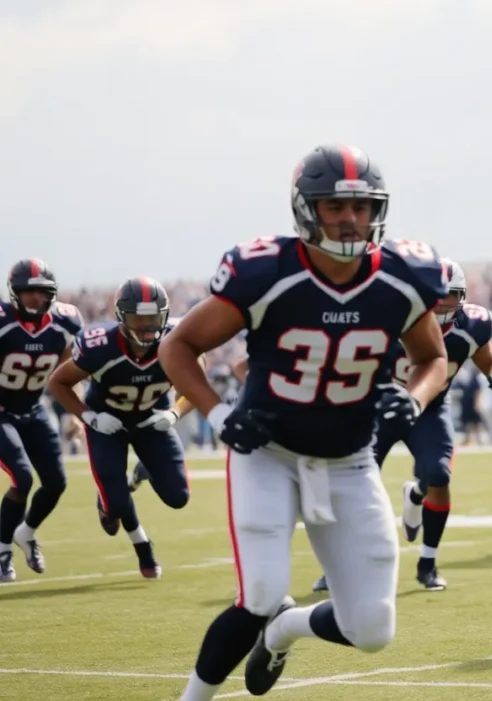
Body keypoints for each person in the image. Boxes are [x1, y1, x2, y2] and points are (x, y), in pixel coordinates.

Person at [160, 144, 449, 701]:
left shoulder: (405, 276)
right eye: (334, 205)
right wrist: (220, 414)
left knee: (372, 630)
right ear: (306, 210)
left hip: (350, 460)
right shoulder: (266, 271)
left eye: (361, 207)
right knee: (261, 591)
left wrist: (413, 400)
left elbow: (432, 359)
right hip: (267, 454)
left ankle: (286, 630)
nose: (349, 218)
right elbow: (180, 346)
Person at [311, 258, 492, 594]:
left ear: (463, 296)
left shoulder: (472, 325)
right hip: (377, 409)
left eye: (451, 295)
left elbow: (490, 359)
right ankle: (338, 567)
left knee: (439, 476)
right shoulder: (391, 315)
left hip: (428, 409)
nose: (443, 302)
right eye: (437, 295)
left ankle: (427, 562)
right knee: (352, 486)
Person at [48, 278, 197, 578]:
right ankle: (142, 545)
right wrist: (89, 417)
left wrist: (174, 413)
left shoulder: (174, 341)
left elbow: (197, 385)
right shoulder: (99, 347)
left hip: (152, 420)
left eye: (153, 317)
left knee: (178, 497)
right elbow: (58, 382)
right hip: (107, 423)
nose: (147, 326)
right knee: (114, 505)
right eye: (138, 319)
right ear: (121, 318)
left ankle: (142, 471)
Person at [0, 259, 83, 582]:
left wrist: (73, 413)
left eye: (42, 292)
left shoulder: (65, 322)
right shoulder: (4, 322)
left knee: (57, 482)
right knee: (22, 478)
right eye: (28, 292)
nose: (35, 298)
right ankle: (3, 550)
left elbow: (69, 371)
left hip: (34, 409)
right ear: (15, 293)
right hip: (2, 412)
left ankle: (27, 532)